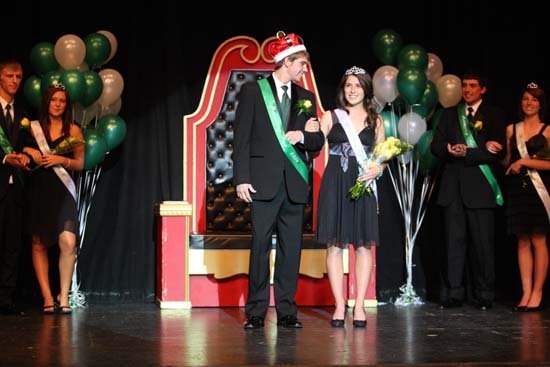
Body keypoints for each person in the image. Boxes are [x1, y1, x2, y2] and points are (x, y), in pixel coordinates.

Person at [233, 31, 325, 329]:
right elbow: (241, 138)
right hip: (262, 182)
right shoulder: (253, 91)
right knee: (260, 246)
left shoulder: (307, 98)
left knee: (291, 249)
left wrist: (304, 135)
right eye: (301, 64)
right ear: (287, 62)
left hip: (295, 185)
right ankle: (256, 311)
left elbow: (316, 142)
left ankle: (287, 310)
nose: (304, 69)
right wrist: (241, 178)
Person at [431, 71, 506, 310]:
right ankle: (454, 292)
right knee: (454, 243)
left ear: (482, 89)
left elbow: (498, 152)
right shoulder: (450, 114)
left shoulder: (495, 115)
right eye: (465, 85)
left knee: (483, 246)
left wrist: (470, 152)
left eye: (473, 86)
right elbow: (436, 145)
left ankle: (484, 294)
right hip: (452, 188)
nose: (468, 90)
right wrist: (449, 148)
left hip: (480, 189)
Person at [315, 66, 383, 328]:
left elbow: (382, 155)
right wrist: (306, 131)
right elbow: (313, 144)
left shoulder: (375, 120)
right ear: (343, 89)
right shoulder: (331, 116)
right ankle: (339, 304)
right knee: (334, 244)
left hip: (363, 182)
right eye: (348, 85)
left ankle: (360, 304)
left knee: (363, 245)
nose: (352, 90)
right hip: (335, 182)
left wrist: (378, 168)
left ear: (366, 88)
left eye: (357, 85)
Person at [22, 84, 85, 314]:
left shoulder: (74, 130)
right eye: (54, 100)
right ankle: (48, 298)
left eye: (62, 101)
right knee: (38, 242)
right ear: (46, 102)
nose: (58, 104)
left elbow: (80, 163)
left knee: (68, 242)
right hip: (40, 190)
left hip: (63, 190)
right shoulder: (33, 128)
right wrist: (29, 151)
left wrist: (61, 159)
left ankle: (64, 296)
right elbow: (20, 153)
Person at [504, 82, 550, 312]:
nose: (528, 103)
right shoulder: (512, 129)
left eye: (533, 99)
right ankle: (526, 292)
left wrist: (524, 162)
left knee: (538, 240)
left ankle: (538, 292)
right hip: (518, 188)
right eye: (525, 99)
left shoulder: (548, 129)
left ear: (540, 103)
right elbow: (508, 160)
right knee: (522, 240)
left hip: (540, 189)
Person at [0, 59, 30, 315]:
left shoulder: (21, 114)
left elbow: (26, 143)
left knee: (12, 245)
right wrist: (4, 158)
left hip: (15, 190)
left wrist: (25, 155)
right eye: (10, 76)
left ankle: (5, 300)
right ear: (0, 78)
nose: (15, 81)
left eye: (19, 77)